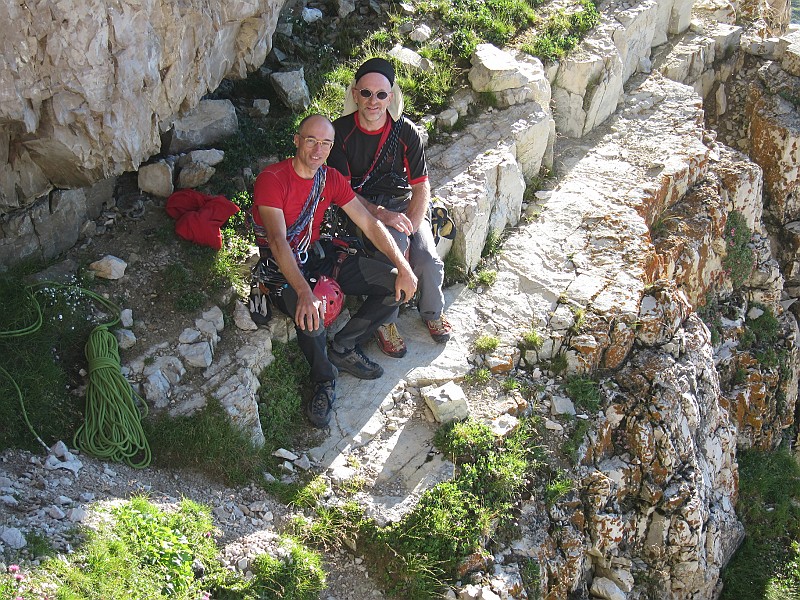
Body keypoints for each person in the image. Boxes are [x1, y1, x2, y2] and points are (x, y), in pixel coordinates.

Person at [251, 114, 417, 427]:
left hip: (316, 256)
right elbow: (277, 240)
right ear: (297, 140)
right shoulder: (272, 180)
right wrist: (303, 292)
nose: (317, 149)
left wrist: (404, 266)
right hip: (283, 267)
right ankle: (324, 380)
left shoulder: (329, 179)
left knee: (395, 285)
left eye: (325, 143)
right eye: (311, 140)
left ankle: (344, 346)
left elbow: (368, 222)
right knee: (312, 312)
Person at [327, 57, 451, 360]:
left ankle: (432, 310)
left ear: (390, 97)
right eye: (366, 93)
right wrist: (382, 215)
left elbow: (421, 185)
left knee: (427, 260)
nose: (373, 101)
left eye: (381, 95)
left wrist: (410, 222)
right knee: (393, 260)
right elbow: (344, 192)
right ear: (354, 94)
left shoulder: (405, 131)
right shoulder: (339, 133)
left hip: (404, 205)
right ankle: (386, 323)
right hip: (363, 209)